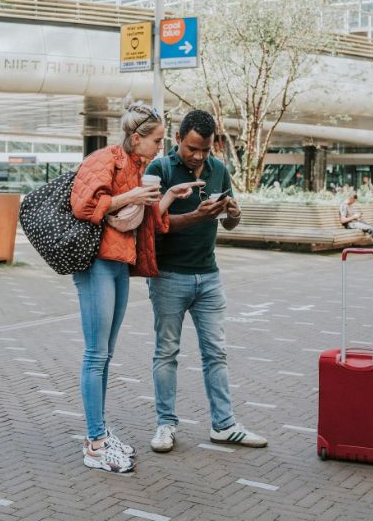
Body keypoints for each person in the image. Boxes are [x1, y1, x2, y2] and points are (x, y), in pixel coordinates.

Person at [70, 103, 201, 474]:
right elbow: (83, 206)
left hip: (119, 264)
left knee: (107, 354)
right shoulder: (104, 159)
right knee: (96, 354)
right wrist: (131, 197)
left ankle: (100, 433)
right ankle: (94, 443)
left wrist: (170, 196)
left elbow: (143, 221)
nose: (161, 147)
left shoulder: (139, 167)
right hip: (96, 264)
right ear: (137, 137)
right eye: (157, 140)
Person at [144, 110, 268, 454]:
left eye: (205, 150)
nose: (199, 157)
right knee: (166, 352)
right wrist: (194, 217)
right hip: (169, 276)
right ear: (178, 139)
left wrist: (234, 213)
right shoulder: (160, 170)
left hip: (209, 276)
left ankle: (224, 425)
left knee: (217, 352)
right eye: (192, 149)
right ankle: (165, 424)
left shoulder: (219, 169)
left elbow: (228, 224)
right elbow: (152, 225)